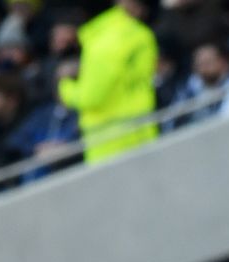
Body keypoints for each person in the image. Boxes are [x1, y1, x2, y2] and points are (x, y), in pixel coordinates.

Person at [57, 0, 158, 164]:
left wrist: (65, 85)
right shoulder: (140, 32)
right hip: (142, 130)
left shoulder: (103, 43)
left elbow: (90, 97)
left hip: (110, 142)